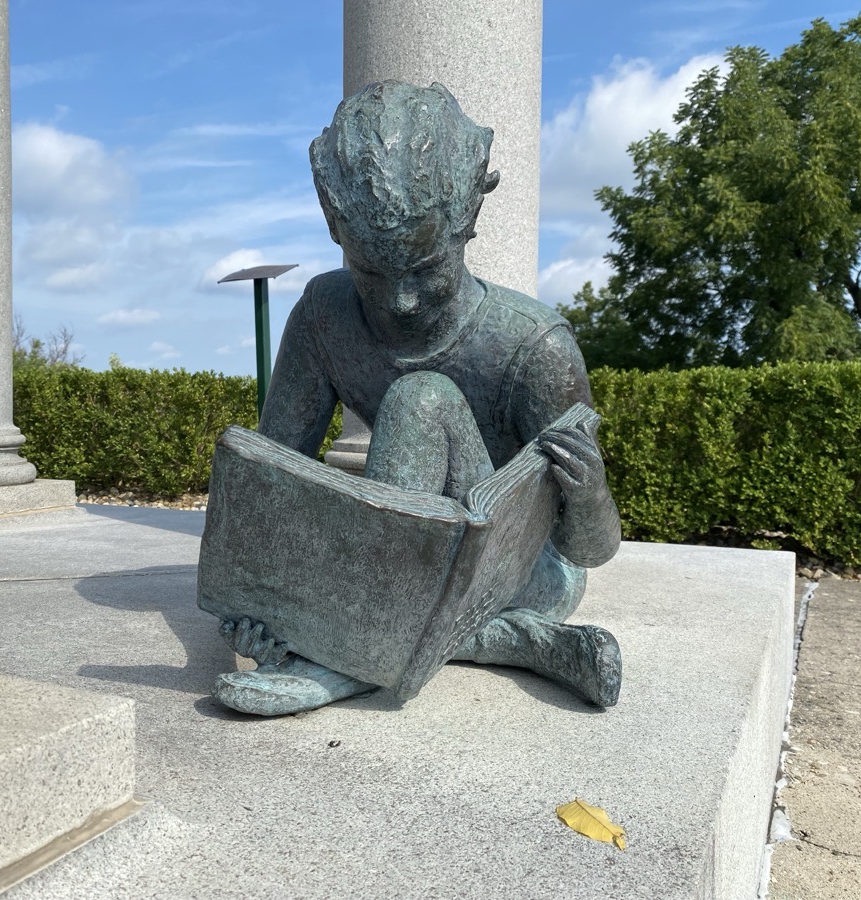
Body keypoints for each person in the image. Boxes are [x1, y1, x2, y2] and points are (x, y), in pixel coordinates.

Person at [213, 81, 622, 716]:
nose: (400, 301)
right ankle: (506, 645)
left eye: (426, 269)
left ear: (467, 223)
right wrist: (263, 594)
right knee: (364, 520)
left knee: (421, 399)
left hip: (522, 573)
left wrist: (589, 488)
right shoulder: (324, 314)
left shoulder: (535, 346)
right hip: (408, 563)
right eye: (372, 273)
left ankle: (346, 660)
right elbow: (272, 481)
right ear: (335, 230)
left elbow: (588, 551)